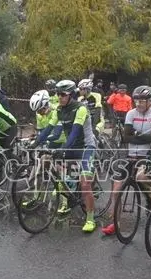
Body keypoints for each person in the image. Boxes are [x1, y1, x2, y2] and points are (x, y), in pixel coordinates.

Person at [32, 80, 97, 232]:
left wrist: (63, 149)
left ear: (71, 95)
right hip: (72, 146)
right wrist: (34, 144)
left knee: (85, 184)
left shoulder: (81, 109)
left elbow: (75, 132)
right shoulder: (59, 110)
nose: (59, 97)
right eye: (57, 94)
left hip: (86, 147)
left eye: (63, 94)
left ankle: (90, 218)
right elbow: (48, 129)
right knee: (55, 168)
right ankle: (68, 193)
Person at [101, 86, 151, 236]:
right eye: (136, 101)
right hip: (129, 155)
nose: (138, 104)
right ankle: (115, 224)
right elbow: (126, 137)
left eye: (142, 101)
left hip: (146, 156)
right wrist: (143, 135)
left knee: (141, 176)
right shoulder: (130, 113)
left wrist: (137, 134)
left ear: (150, 101)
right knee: (116, 191)